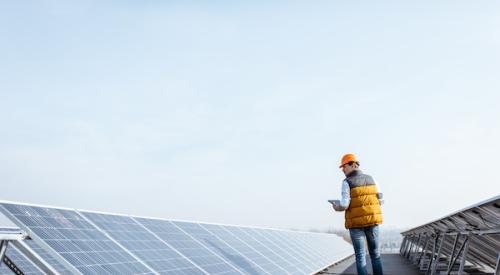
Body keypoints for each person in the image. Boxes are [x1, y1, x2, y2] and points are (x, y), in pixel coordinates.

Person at [331, 153, 384, 275]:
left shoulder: (346, 182)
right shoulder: (372, 179)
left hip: (356, 225)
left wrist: (336, 207)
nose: (342, 170)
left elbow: (344, 205)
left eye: (344, 167)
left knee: (360, 257)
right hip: (373, 221)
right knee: (375, 255)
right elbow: (381, 200)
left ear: (352, 165)